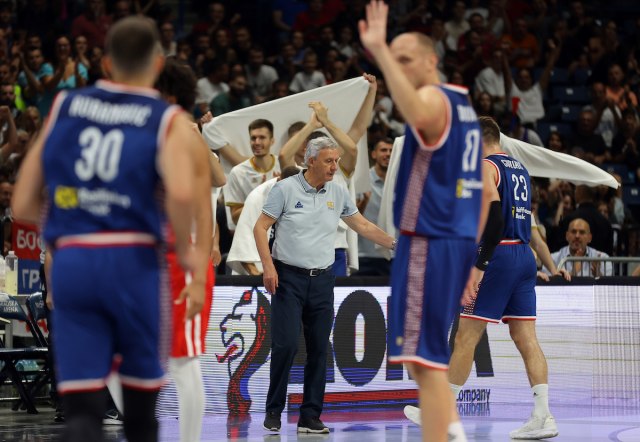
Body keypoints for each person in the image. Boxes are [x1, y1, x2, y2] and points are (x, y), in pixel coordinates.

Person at [12, 17, 202, 442]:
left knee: (83, 415)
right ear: (158, 64)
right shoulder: (166, 118)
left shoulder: (65, 105)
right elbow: (181, 194)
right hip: (134, 260)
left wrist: (69, 222)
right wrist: (189, 254)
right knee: (140, 417)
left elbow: (21, 203)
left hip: (73, 261)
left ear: (105, 63)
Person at [359, 2, 487, 441]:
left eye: (405, 59)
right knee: (424, 361)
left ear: (432, 61)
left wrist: (379, 50)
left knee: (424, 362)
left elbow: (415, 111)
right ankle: (453, 433)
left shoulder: (433, 99)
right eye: (395, 60)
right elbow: (482, 194)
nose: (398, 67)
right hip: (455, 240)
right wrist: (469, 257)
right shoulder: (463, 104)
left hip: (428, 239)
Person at [405, 116, 559, 440]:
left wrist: (479, 265)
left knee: (466, 336)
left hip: (499, 256)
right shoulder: (520, 169)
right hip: (524, 255)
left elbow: (495, 221)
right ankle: (543, 415)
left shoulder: (485, 167)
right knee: (526, 338)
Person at [255, 136, 396, 434]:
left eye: (336, 160)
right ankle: (274, 409)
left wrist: (396, 244)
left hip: (322, 279)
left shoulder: (338, 190)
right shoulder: (285, 189)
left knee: (320, 348)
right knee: (286, 344)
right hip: (288, 278)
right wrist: (267, 266)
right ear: (311, 161)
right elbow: (260, 227)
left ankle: (310, 416)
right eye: (329, 161)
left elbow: (362, 225)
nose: (335, 166)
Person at [155, 57, 226, 442]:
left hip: (186, 253)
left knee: (184, 359)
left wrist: (196, 135)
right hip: (149, 252)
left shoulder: (183, 130)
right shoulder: (151, 128)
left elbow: (219, 178)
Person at [226, 166, 300, 275]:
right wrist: (256, 274)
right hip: (260, 271)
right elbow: (243, 245)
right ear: (279, 180)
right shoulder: (257, 198)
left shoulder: (308, 192)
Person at [224, 118, 281, 224]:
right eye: (253, 138)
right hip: (253, 230)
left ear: (272, 141)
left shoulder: (283, 165)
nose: (257, 142)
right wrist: (259, 197)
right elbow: (235, 219)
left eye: (262, 138)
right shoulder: (238, 173)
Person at [355, 138, 393, 275]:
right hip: (365, 255)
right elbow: (351, 219)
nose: (388, 154)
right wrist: (364, 201)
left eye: (391, 150)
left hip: (393, 255)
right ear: (374, 154)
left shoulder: (401, 182)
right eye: (383, 150)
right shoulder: (362, 180)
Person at [547, 218, 612, 277]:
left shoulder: (602, 258)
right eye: (573, 232)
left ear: (589, 238)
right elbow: (548, 285)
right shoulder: (552, 259)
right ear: (567, 236)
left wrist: (598, 276)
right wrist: (573, 272)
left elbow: (609, 284)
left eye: (582, 232)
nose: (577, 236)